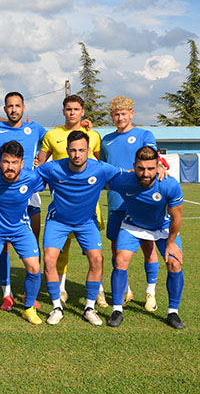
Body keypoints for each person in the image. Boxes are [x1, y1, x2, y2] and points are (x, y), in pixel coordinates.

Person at [38, 131, 122, 326]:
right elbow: (25, 175)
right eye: (73, 150)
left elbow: (129, 176)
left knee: (96, 259)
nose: (77, 154)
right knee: (49, 260)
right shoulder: (52, 168)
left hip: (86, 221)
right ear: (66, 150)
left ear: (89, 151)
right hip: (58, 220)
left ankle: (90, 307)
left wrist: (159, 169)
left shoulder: (100, 168)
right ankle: (56, 307)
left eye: (81, 150)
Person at [36, 94, 107, 308]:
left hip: (88, 203)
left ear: (82, 111)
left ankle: (99, 291)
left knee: (93, 252)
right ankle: (62, 289)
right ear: (64, 111)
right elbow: (40, 164)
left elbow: (98, 164)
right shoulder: (52, 135)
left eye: (76, 109)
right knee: (61, 249)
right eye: (68, 109)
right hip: (62, 202)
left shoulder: (93, 135)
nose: (72, 112)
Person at [107, 146, 186, 329]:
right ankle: (117, 310)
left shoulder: (169, 184)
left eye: (151, 168)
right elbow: (101, 180)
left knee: (174, 263)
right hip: (133, 225)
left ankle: (173, 312)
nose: (145, 173)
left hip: (162, 226)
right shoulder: (124, 180)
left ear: (158, 166)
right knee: (120, 259)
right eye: (141, 168)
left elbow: (176, 217)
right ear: (134, 166)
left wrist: (172, 243)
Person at [0, 92, 47, 310]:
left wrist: (42, 159)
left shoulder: (36, 128)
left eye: (17, 105)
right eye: (9, 106)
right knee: (1, 246)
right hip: (3, 189)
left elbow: (55, 141)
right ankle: (6, 292)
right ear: (4, 108)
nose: (13, 109)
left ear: (23, 107)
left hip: (28, 189)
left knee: (31, 240)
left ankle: (29, 294)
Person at [100, 96, 164, 312]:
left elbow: (153, 158)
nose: (120, 117)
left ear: (132, 114)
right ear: (112, 116)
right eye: (116, 114)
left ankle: (151, 292)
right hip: (116, 200)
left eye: (124, 113)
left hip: (141, 201)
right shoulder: (106, 140)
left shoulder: (144, 135)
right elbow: (103, 167)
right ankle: (126, 289)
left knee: (148, 245)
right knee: (116, 247)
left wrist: (161, 167)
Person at [0, 141, 44, 326]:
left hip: (21, 230)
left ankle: (28, 308)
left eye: (14, 162)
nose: (10, 167)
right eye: (6, 162)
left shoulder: (31, 178)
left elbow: (56, 175)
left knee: (34, 267)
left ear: (22, 163)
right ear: (0, 161)